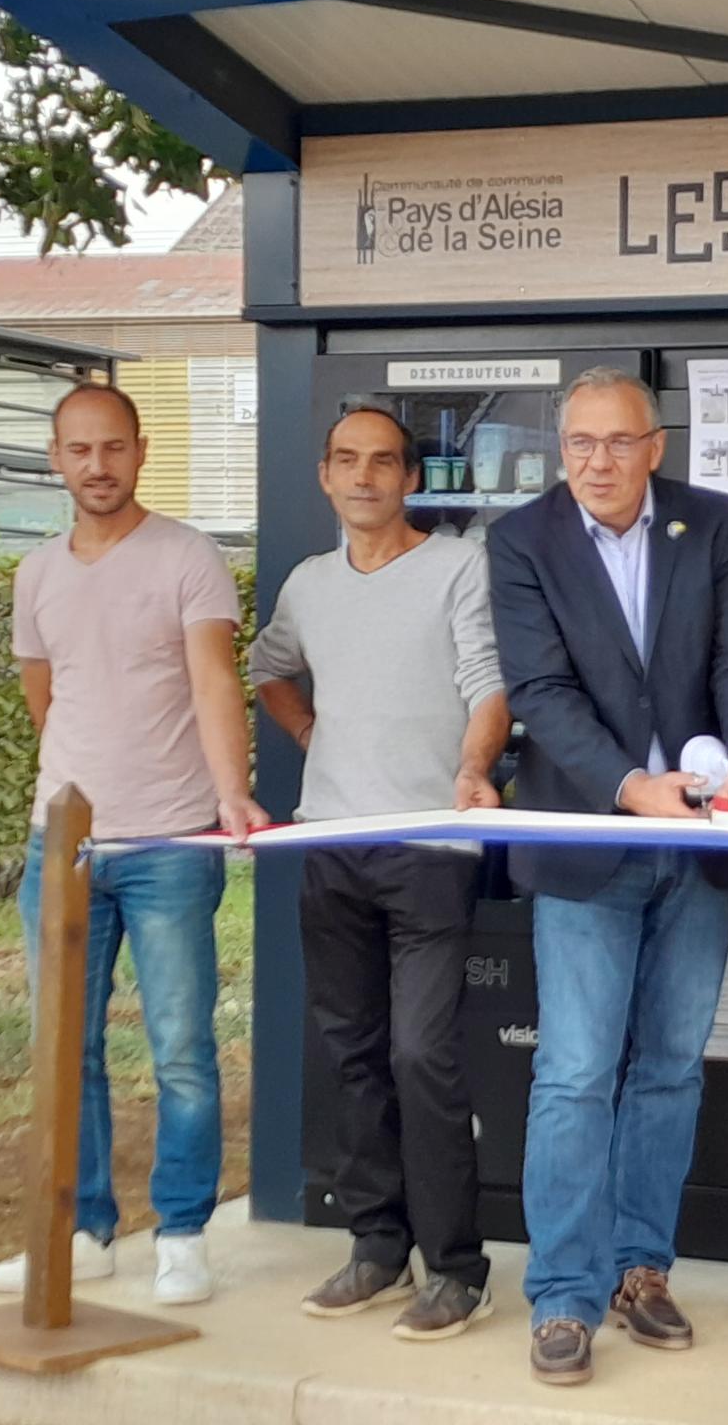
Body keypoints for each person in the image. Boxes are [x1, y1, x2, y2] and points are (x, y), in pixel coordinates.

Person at [487, 367, 728, 1387]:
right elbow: (541, 690)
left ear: (657, 446)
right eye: (580, 445)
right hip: (588, 841)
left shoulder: (715, 520)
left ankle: (641, 1270)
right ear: (560, 448)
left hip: (700, 847)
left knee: (669, 1070)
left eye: (618, 444)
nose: (598, 464)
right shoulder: (522, 539)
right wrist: (625, 786)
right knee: (573, 1073)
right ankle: (562, 1298)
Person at [0, 382, 268, 1306]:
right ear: (56, 458)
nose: (97, 466)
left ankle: (182, 1233)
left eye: (113, 448)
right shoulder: (36, 576)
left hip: (171, 844)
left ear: (140, 452)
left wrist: (230, 796)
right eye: (79, 450)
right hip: (62, 850)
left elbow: (214, 681)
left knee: (181, 1046)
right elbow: (45, 700)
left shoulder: (187, 558)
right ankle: (80, 1227)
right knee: (66, 1049)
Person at [250, 406, 510, 1339]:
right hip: (330, 843)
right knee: (352, 1050)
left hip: (432, 846)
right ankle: (375, 1247)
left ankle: (456, 1267)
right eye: (348, 462)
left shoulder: (457, 567)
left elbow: (489, 684)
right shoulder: (309, 585)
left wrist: (474, 771)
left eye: (385, 463)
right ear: (324, 475)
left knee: (419, 1053)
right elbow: (267, 666)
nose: (365, 477)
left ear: (412, 478)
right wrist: (308, 732)